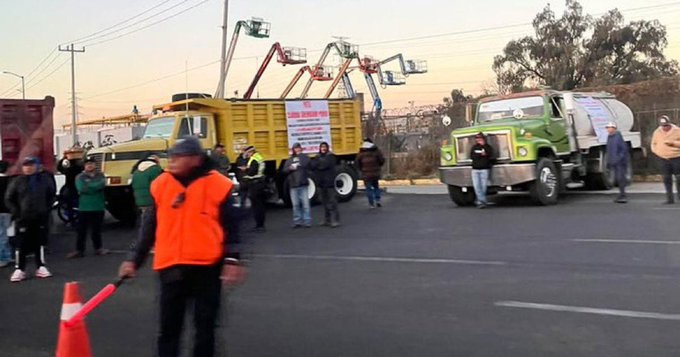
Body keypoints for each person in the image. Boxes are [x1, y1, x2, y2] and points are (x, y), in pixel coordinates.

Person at [118, 136, 245, 357]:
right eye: (171, 157)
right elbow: (148, 227)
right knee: (169, 329)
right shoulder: (161, 185)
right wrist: (133, 260)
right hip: (171, 267)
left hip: (207, 268)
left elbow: (232, 226)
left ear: (195, 159)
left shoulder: (218, 184)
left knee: (205, 329)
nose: (172, 161)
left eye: (178, 157)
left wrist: (232, 259)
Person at [5, 157, 56, 282]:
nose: (28, 168)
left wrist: (46, 209)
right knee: (21, 244)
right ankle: (20, 269)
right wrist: (17, 212)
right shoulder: (17, 181)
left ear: (37, 166)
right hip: (23, 218)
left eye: (31, 165)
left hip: (40, 217)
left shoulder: (44, 180)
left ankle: (41, 266)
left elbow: (51, 195)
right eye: (26, 165)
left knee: (39, 243)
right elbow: (9, 198)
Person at [68, 158, 109, 258]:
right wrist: (95, 187)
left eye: (91, 164)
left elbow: (102, 184)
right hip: (84, 207)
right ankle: (79, 250)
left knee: (97, 230)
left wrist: (90, 187)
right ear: (84, 166)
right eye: (87, 164)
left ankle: (98, 248)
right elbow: (81, 188)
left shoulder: (101, 175)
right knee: (81, 230)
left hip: (98, 206)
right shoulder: (80, 177)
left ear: (95, 165)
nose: (89, 166)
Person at [651, 115, 680, 204]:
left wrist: (673, 143)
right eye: (663, 126)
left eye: (666, 125)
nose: (665, 128)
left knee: (678, 178)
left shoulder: (677, 131)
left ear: (669, 124)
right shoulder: (657, 132)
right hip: (663, 158)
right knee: (666, 179)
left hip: (676, 157)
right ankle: (669, 198)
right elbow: (653, 143)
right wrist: (656, 151)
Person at [283, 143, 312, 228]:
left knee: (306, 204)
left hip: (303, 183)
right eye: (296, 148)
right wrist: (290, 168)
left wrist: (300, 157)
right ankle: (297, 221)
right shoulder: (290, 160)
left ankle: (307, 221)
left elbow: (308, 163)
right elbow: (284, 170)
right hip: (293, 184)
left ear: (301, 149)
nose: (297, 150)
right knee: (295, 205)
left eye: (298, 148)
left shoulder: (304, 157)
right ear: (293, 149)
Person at [311, 142, 339, 227]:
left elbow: (324, 165)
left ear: (327, 148)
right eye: (321, 147)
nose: (323, 148)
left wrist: (318, 163)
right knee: (324, 202)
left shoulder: (331, 156)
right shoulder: (318, 156)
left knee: (332, 202)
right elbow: (312, 165)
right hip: (321, 182)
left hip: (329, 183)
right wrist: (318, 163)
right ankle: (327, 220)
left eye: (324, 147)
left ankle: (335, 220)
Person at [57, 147, 85, 224]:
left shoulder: (68, 169)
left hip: (70, 188)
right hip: (78, 189)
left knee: (69, 205)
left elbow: (59, 168)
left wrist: (64, 157)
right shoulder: (80, 168)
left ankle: (71, 220)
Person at [243, 146, 267, 232]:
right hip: (260, 183)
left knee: (257, 206)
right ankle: (260, 225)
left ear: (251, 152)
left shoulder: (254, 160)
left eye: (247, 153)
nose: (246, 154)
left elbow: (252, 172)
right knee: (260, 205)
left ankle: (259, 225)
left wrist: (245, 170)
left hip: (255, 184)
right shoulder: (258, 157)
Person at [356, 138, 385, 208]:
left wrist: (361, 169)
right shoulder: (376, 151)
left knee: (368, 189)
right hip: (375, 173)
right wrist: (378, 166)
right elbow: (382, 160)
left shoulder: (361, 153)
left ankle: (371, 204)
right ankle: (378, 200)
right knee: (376, 186)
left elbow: (357, 163)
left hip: (366, 174)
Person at [605, 122, 629, 204]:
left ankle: (623, 195)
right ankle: (621, 195)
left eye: (610, 127)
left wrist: (618, 159)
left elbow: (623, 149)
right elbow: (609, 150)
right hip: (613, 162)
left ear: (614, 128)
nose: (608, 129)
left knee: (620, 178)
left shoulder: (618, 137)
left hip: (620, 162)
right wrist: (609, 161)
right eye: (607, 127)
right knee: (617, 179)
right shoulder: (609, 137)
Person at [470, 132, 495, 208]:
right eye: (477, 138)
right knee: (477, 186)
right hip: (475, 169)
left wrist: (483, 150)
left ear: (483, 139)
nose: (478, 140)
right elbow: (472, 156)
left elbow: (489, 154)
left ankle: (481, 201)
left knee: (483, 186)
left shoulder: (488, 147)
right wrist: (481, 154)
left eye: (480, 138)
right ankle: (481, 201)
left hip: (484, 169)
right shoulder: (474, 147)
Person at [0, 161, 12, 268]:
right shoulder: (10, 181)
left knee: (1, 234)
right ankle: (4, 257)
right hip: (7, 211)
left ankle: (4, 256)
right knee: (5, 234)